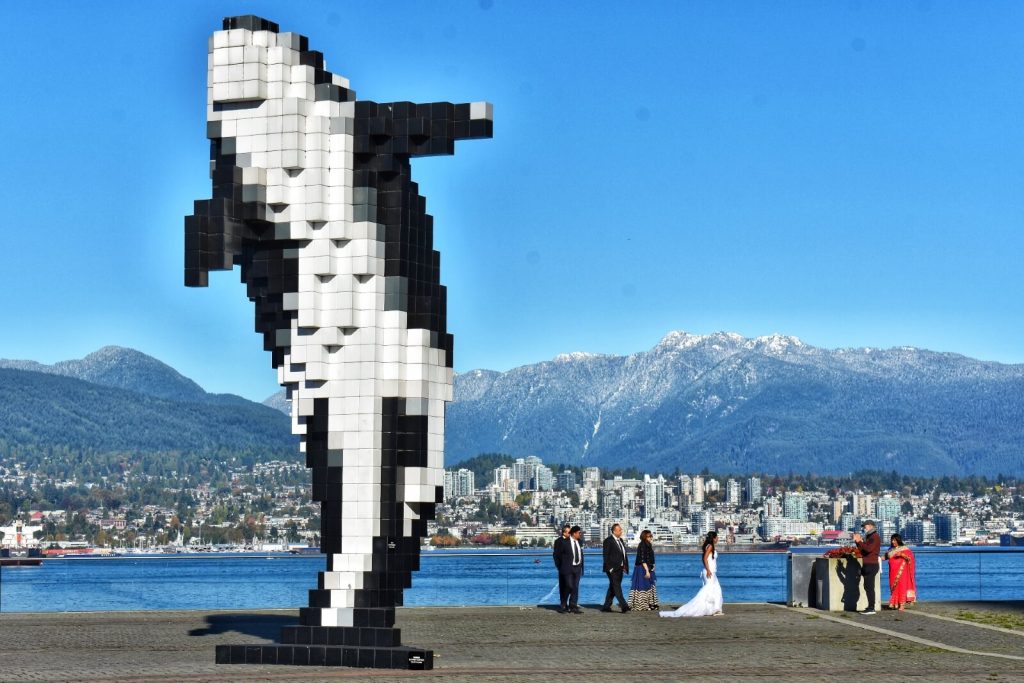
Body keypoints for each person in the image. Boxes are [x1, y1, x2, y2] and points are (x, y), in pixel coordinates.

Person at [660, 531, 723, 618]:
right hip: (709, 572)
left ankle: (713, 609)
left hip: (712, 572)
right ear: (713, 538)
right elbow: (704, 558)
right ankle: (710, 609)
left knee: (715, 590)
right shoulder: (710, 546)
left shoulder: (709, 546)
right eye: (717, 537)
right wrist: (708, 570)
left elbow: (706, 558)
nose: (718, 539)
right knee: (708, 591)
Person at [553, 525, 585, 614]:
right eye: (579, 533)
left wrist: (581, 566)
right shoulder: (564, 542)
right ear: (574, 533)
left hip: (577, 567)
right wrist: (560, 566)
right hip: (567, 568)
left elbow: (580, 554)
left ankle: (573, 606)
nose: (580, 534)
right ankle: (563, 604)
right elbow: (556, 555)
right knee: (569, 586)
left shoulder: (580, 542)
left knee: (575, 587)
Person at [601, 523, 631, 613]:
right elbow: (605, 556)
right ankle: (624, 606)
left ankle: (606, 606)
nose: (621, 531)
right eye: (620, 530)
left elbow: (623, 554)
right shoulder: (608, 541)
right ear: (614, 531)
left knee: (613, 587)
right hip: (612, 569)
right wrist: (610, 568)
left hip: (620, 568)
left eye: (621, 529)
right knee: (617, 587)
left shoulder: (620, 540)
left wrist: (625, 566)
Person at [853, 520, 881, 615]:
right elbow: (863, 550)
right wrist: (858, 542)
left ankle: (871, 608)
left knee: (869, 587)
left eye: (865, 527)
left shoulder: (874, 537)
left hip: (871, 564)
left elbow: (868, 549)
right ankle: (870, 607)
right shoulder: (870, 537)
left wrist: (860, 541)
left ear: (870, 526)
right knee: (867, 586)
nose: (864, 529)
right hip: (868, 563)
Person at [628, 529, 659, 611]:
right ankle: (641, 604)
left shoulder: (648, 545)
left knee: (650, 585)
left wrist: (653, 565)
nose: (650, 538)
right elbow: (642, 559)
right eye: (648, 536)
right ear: (644, 537)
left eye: (651, 536)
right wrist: (647, 570)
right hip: (642, 568)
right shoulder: (642, 545)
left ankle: (650, 604)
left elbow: (650, 557)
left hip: (649, 567)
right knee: (642, 585)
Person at [885, 534, 917, 611]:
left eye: (894, 540)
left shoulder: (905, 549)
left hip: (902, 572)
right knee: (894, 587)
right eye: (892, 540)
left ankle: (902, 604)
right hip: (892, 571)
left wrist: (902, 554)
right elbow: (885, 557)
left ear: (898, 540)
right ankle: (896, 603)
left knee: (902, 586)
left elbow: (910, 558)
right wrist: (877, 559)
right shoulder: (891, 549)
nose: (893, 542)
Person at [552, 524, 572, 610]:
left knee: (570, 585)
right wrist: (558, 565)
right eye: (569, 532)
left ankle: (566, 603)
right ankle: (563, 603)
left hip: (572, 567)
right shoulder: (558, 541)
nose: (570, 534)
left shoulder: (572, 541)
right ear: (564, 533)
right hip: (562, 567)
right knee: (563, 585)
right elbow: (555, 554)